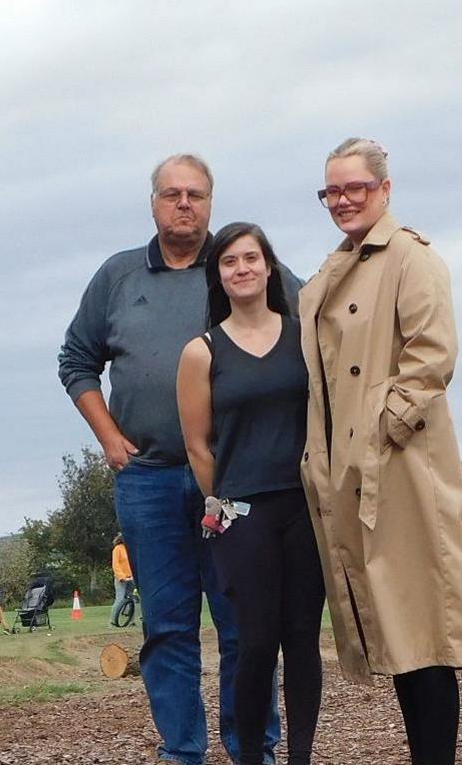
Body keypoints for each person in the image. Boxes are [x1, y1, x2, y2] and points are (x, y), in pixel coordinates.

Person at [58, 154, 286, 765]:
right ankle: (182, 752)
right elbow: (76, 360)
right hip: (150, 479)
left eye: (196, 194)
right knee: (168, 629)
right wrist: (107, 435)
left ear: (211, 202)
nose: (184, 204)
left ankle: (252, 751)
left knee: (244, 625)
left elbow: (304, 333)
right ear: (153, 203)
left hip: (234, 479)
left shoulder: (240, 263)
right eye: (172, 194)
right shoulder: (119, 276)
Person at [298, 138, 462, 765]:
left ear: (385, 189)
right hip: (349, 472)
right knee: (397, 634)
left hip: (400, 470)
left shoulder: (410, 256)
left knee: (421, 630)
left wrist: (381, 431)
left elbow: (432, 356)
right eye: (332, 191)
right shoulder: (332, 270)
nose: (343, 200)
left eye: (356, 187)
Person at [178, 222, 325, 765]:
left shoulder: (303, 336)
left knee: (303, 640)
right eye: (229, 262)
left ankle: (301, 756)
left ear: (269, 266)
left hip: (304, 508)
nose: (242, 269)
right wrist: (224, 504)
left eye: (251, 259)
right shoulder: (201, 351)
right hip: (244, 514)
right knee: (255, 643)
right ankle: (248, 757)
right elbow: (197, 444)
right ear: (217, 274)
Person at [110, 534, 135, 626]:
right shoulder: (117, 549)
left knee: (131, 599)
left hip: (131, 577)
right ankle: (113, 620)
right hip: (121, 578)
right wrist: (121, 577)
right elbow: (115, 565)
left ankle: (131, 621)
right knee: (120, 598)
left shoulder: (130, 549)